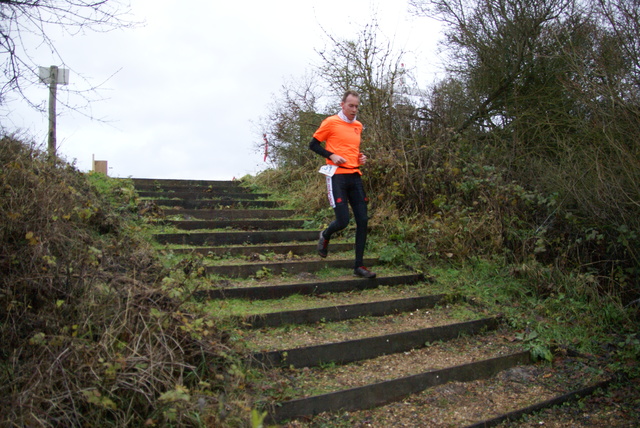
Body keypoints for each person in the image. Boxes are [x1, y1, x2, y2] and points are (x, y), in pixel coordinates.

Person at [309, 90, 376, 279]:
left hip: (355, 175)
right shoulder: (330, 122)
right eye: (351, 106)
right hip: (336, 176)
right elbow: (312, 145)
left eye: (356, 106)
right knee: (344, 221)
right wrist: (331, 155)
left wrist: (360, 157)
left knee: (363, 220)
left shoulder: (358, 126)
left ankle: (359, 266)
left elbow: (352, 149)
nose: (354, 110)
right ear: (342, 105)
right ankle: (326, 234)